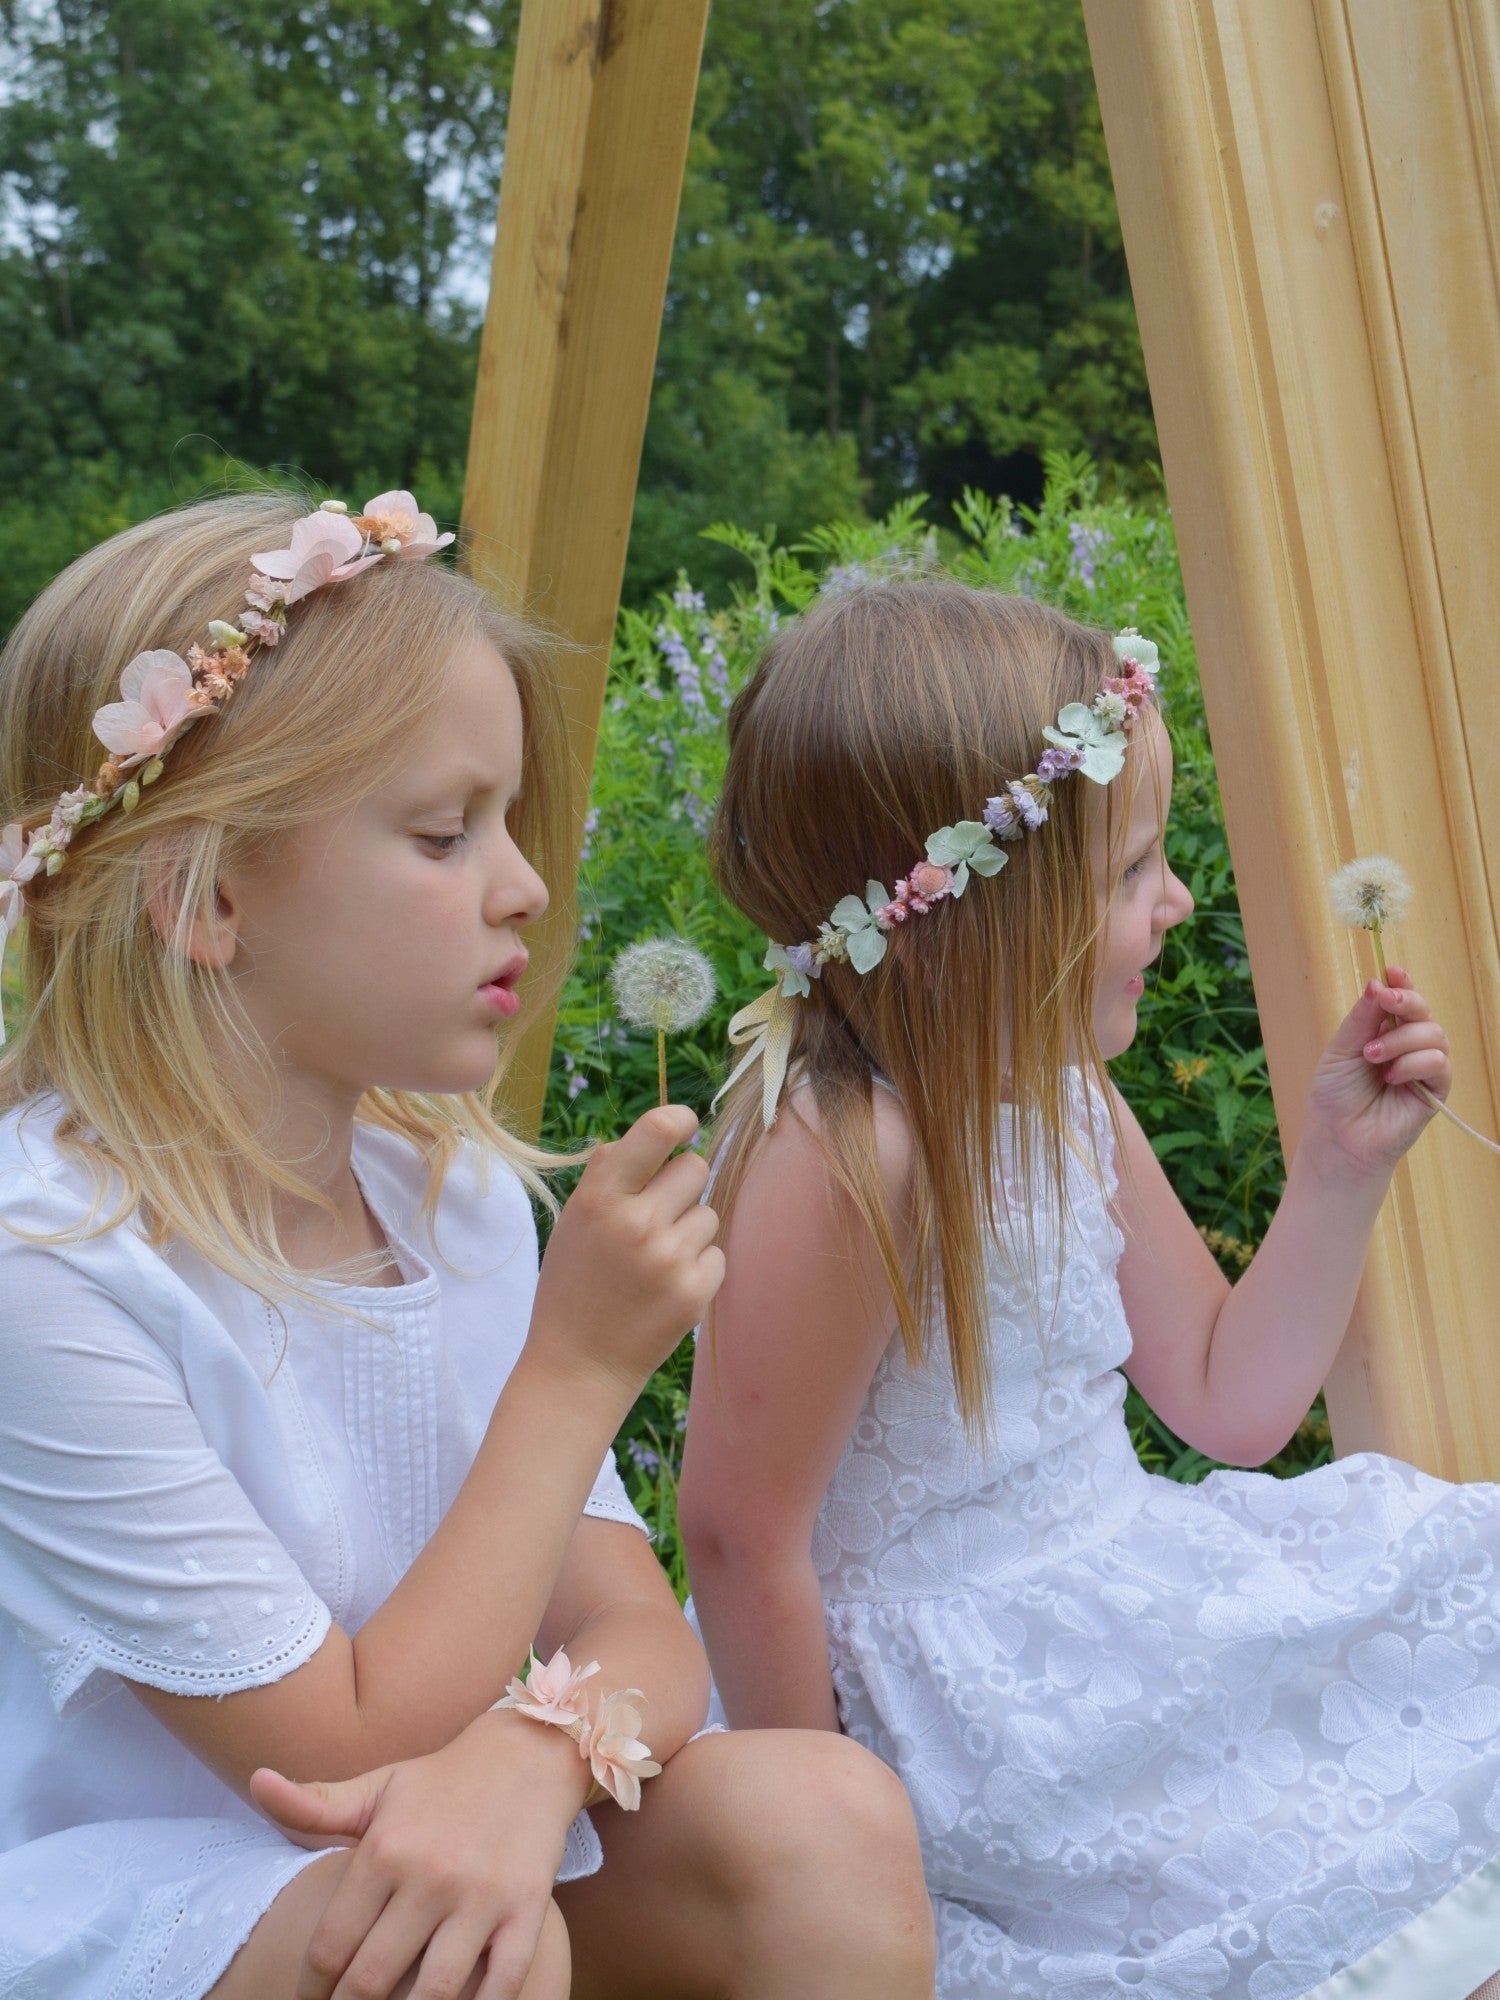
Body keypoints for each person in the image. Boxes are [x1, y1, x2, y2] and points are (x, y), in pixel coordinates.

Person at [0, 492, 935, 2000]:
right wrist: (576, 1369)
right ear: (207, 896)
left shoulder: (448, 1196)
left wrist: (541, 1750)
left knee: (820, 1818)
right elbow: (327, 1754)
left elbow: (635, 1625)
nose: (526, 887)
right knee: (464, 1953)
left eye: (508, 823)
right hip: (150, 1897)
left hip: (427, 1830)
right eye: (444, 834)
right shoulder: (47, 1273)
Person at [679, 579, 1500, 1999]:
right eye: (1131, 873)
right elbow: (746, 1540)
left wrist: (1338, 1174)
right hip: (982, 1717)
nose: (1174, 903)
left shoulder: (1055, 1091)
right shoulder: (848, 1155)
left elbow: (1230, 1403)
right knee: (1352, 1908)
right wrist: (826, 1854)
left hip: (1130, 1609)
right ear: (974, 906)